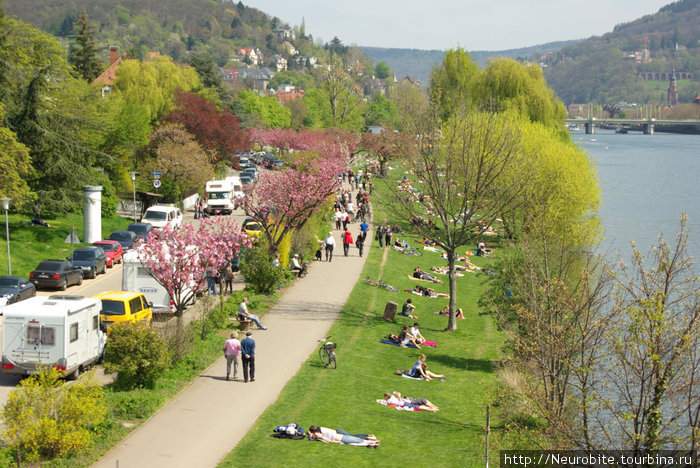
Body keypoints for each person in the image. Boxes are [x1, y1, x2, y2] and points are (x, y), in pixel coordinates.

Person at [308, 426, 379, 447]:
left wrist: (336, 442)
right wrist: (310, 433)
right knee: (355, 439)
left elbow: (327, 440)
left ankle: (370, 437)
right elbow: (312, 435)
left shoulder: (320, 432)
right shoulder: (319, 431)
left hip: (339, 433)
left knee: (354, 438)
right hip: (339, 434)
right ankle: (372, 442)